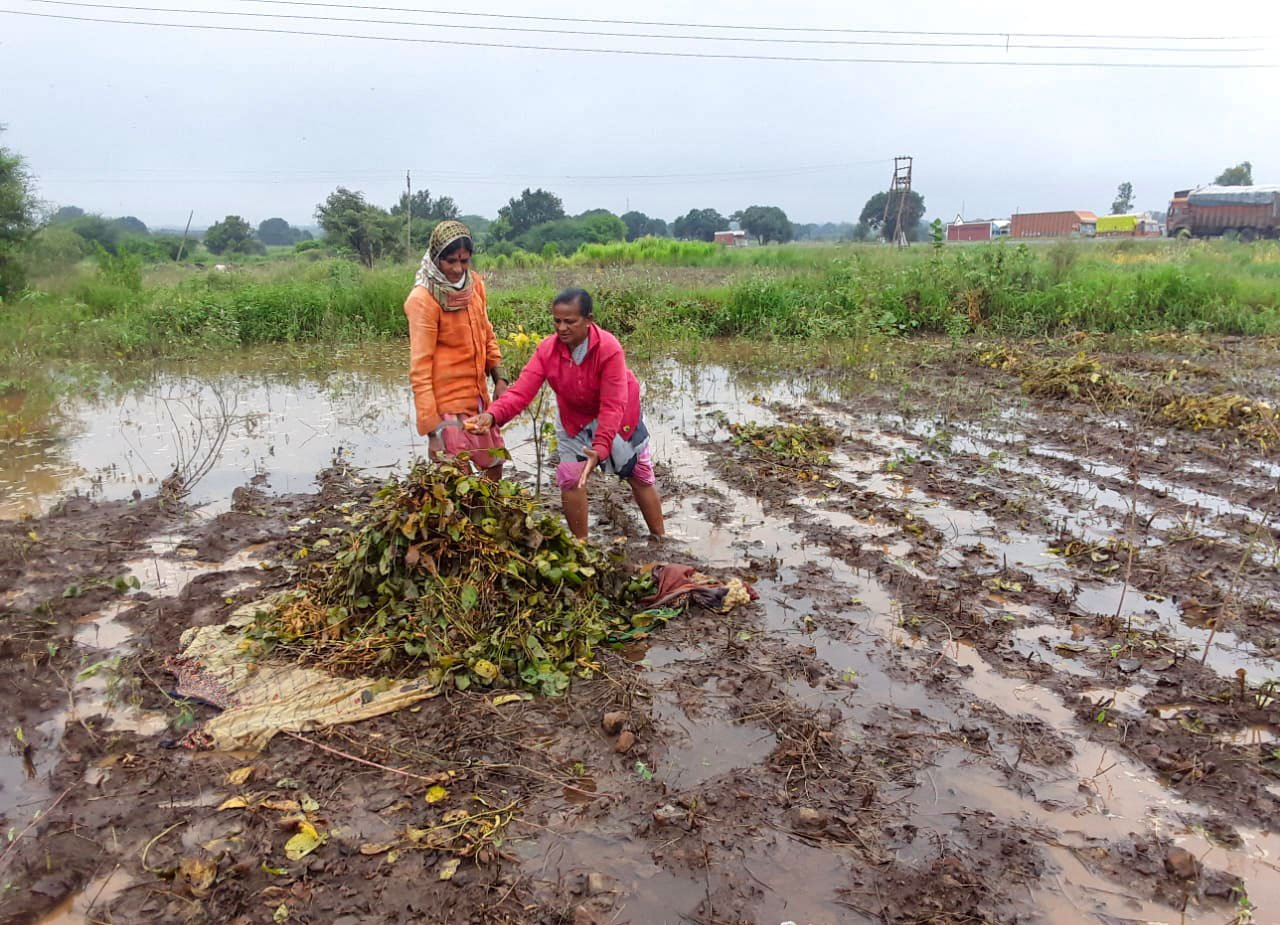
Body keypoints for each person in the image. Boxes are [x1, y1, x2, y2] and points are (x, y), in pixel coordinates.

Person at [464, 288, 665, 541]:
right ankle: (582, 547)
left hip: (619, 415)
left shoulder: (608, 349)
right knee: (571, 479)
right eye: (557, 321)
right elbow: (521, 392)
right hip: (574, 420)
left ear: (589, 320)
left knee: (638, 475)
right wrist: (492, 416)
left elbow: (613, 405)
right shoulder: (548, 350)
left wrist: (601, 448)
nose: (562, 328)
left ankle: (660, 539)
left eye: (570, 321)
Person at [404, 220, 508, 479]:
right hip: (446, 406)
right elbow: (420, 369)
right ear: (436, 257)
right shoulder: (423, 300)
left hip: (477, 398)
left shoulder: (474, 285)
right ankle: (465, 517)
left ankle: (484, 516)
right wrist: (432, 434)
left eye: (464, 261)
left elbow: (487, 333)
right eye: (450, 261)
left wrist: (500, 378)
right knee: (456, 475)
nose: (457, 268)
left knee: (495, 462)